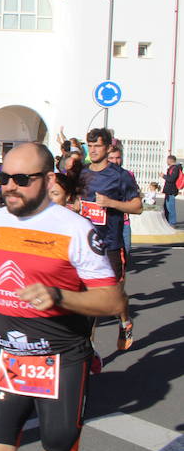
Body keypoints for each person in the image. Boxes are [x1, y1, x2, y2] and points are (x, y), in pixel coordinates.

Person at [0, 143, 125, 451]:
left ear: (49, 180)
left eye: (22, 179)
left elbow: (114, 300)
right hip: (8, 355)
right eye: (4, 177)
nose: (9, 186)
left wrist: (59, 296)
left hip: (60, 360)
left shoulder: (75, 229)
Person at [80, 128, 141, 352]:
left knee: (115, 295)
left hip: (111, 244)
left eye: (97, 145)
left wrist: (111, 203)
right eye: (90, 145)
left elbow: (137, 206)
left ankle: (125, 321)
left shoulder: (120, 175)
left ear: (107, 148)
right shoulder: (82, 174)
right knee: (90, 303)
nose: (93, 150)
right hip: (86, 246)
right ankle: (88, 350)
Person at [108, 146, 136, 263]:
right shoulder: (98, 176)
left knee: (126, 253)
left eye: (118, 158)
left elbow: (134, 199)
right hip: (106, 223)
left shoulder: (128, 175)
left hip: (123, 221)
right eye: (112, 158)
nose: (115, 161)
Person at [159, 154, 180, 225]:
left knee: (170, 208)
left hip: (171, 191)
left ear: (170, 160)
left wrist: (163, 176)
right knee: (166, 207)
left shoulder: (175, 168)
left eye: (167, 160)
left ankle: (172, 223)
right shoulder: (172, 168)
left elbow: (171, 179)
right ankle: (168, 221)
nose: (166, 161)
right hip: (168, 191)